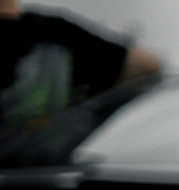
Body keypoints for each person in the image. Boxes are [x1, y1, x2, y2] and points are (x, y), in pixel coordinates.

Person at [0, 0, 156, 163]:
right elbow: (147, 67)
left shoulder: (53, 32)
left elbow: (146, 67)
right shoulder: (54, 33)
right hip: (52, 167)